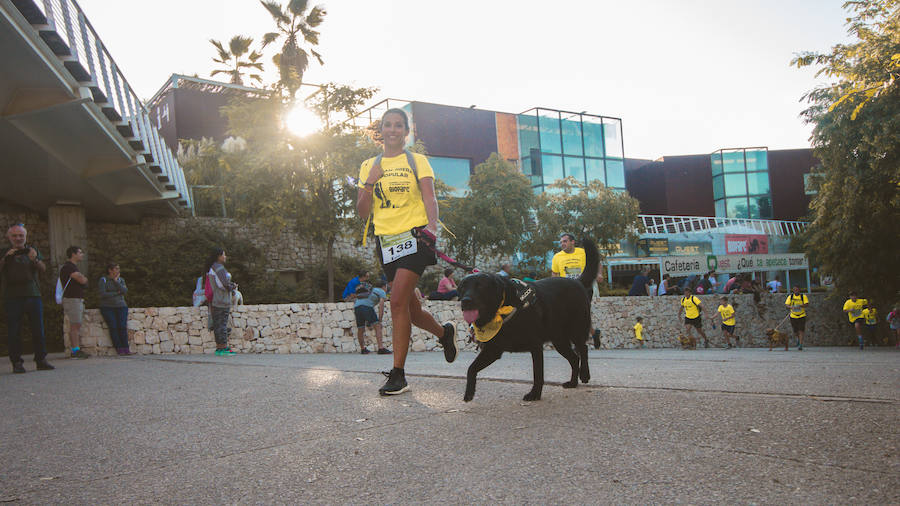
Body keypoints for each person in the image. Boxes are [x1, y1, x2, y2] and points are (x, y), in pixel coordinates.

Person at [356, 108, 458, 396]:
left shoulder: (417, 161)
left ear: (406, 131)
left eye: (398, 125)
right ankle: (444, 333)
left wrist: (432, 231)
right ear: (381, 129)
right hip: (386, 242)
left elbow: (430, 198)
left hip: (415, 238)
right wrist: (370, 181)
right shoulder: (368, 165)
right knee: (411, 311)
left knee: (397, 301)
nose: (392, 130)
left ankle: (398, 374)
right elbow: (364, 212)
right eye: (387, 125)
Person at [0, 224, 53, 373]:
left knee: (38, 329)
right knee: (14, 330)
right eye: (15, 236)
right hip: (12, 296)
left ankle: (41, 360)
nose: (18, 238)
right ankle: (16, 362)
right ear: (9, 237)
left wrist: (35, 259)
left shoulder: (32, 250)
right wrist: (6, 258)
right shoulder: (4, 252)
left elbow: (43, 269)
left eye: (21, 235)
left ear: (25, 236)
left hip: (33, 294)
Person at [205, 248, 237, 356]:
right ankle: (223, 347)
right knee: (222, 324)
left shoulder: (212, 268)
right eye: (224, 255)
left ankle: (219, 348)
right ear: (219, 256)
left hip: (215, 300)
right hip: (221, 300)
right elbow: (224, 284)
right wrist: (233, 286)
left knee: (218, 324)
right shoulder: (219, 268)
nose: (225, 257)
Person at [59, 246, 89, 359]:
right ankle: (75, 350)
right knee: (75, 325)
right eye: (80, 252)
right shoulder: (69, 267)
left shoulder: (72, 267)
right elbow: (82, 279)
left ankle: (76, 349)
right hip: (72, 300)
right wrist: (84, 279)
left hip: (76, 299)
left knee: (77, 324)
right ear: (73, 254)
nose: (82, 255)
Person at [99, 262, 132, 355]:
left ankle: (126, 348)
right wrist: (117, 293)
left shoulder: (121, 280)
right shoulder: (103, 280)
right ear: (110, 270)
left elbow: (124, 291)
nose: (118, 271)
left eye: (118, 269)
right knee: (113, 327)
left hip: (121, 306)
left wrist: (116, 281)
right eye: (116, 269)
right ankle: (119, 348)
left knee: (122, 327)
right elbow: (103, 294)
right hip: (107, 307)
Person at [354, 278, 391, 355]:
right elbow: (381, 305)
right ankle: (381, 348)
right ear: (384, 286)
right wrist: (380, 320)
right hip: (367, 307)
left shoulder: (371, 290)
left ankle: (363, 349)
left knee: (360, 328)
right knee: (377, 326)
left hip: (357, 307)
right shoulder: (381, 291)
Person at [785, 286, 809, 351]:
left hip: (802, 315)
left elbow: (807, 304)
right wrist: (791, 307)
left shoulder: (803, 296)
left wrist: (800, 306)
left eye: (797, 290)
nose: (796, 291)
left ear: (799, 290)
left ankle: (800, 344)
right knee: (795, 331)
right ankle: (798, 339)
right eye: (794, 290)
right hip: (793, 316)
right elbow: (787, 305)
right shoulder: (791, 297)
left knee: (801, 330)